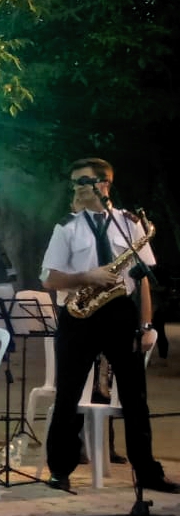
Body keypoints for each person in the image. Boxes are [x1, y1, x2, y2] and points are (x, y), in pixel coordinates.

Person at [41, 157, 176, 493]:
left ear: (104, 184)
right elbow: (49, 279)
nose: (77, 188)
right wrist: (88, 276)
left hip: (120, 314)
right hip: (79, 315)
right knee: (68, 394)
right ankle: (60, 470)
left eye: (83, 181)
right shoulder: (66, 226)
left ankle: (147, 471)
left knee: (135, 396)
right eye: (74, 182)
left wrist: (146, 325)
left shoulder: (129, 224)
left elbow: (142, 279)